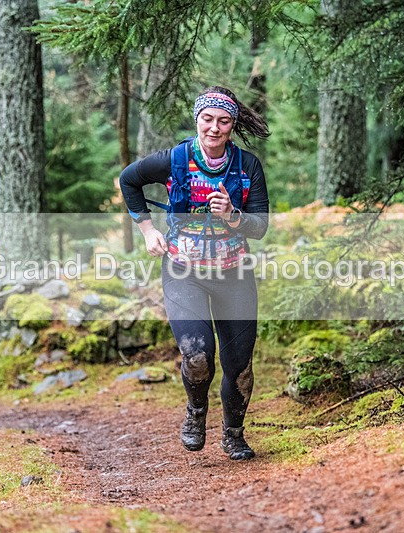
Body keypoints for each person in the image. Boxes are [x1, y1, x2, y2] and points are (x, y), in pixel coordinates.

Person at [120, 86, 270, 460]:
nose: (214, 128)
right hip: (183, 270)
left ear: (232, 125)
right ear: (197, 119)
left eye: (223, 121)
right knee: (198, 354)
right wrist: (148, 231)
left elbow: (260, 226)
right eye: (208, 119)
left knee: (240, 366)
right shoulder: (175, 159)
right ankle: (196, 410)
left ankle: (233, 435)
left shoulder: (248, 166)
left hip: (234, 272)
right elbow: (128, 180)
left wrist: (232, 216)